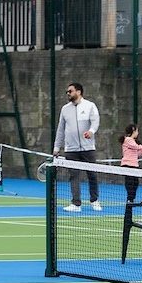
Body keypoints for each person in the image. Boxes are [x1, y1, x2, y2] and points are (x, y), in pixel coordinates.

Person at [54, 82, 101, 212]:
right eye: (67, 92)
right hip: (71, 150)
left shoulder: (90, 106)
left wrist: (91, 131)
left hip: (88, 148)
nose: (68, 93)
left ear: (78, 92)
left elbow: (95, 121)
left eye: (70, 91)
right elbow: (61, 130)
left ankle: (94, 200)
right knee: (73, 176)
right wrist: (57, 147)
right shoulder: (65, 109)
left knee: (92, 174)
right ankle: (76, 204)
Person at [118, 124, 142, 202]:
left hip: (134, 165)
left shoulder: (133, 142)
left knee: (135, 182)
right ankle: (130, 199)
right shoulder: (128, 140)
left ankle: (131, 199)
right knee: (130, 182)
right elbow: (137, 147)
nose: (138, 133)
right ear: (133, 130)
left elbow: (138, 153)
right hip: (127, 165)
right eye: (137, 131)